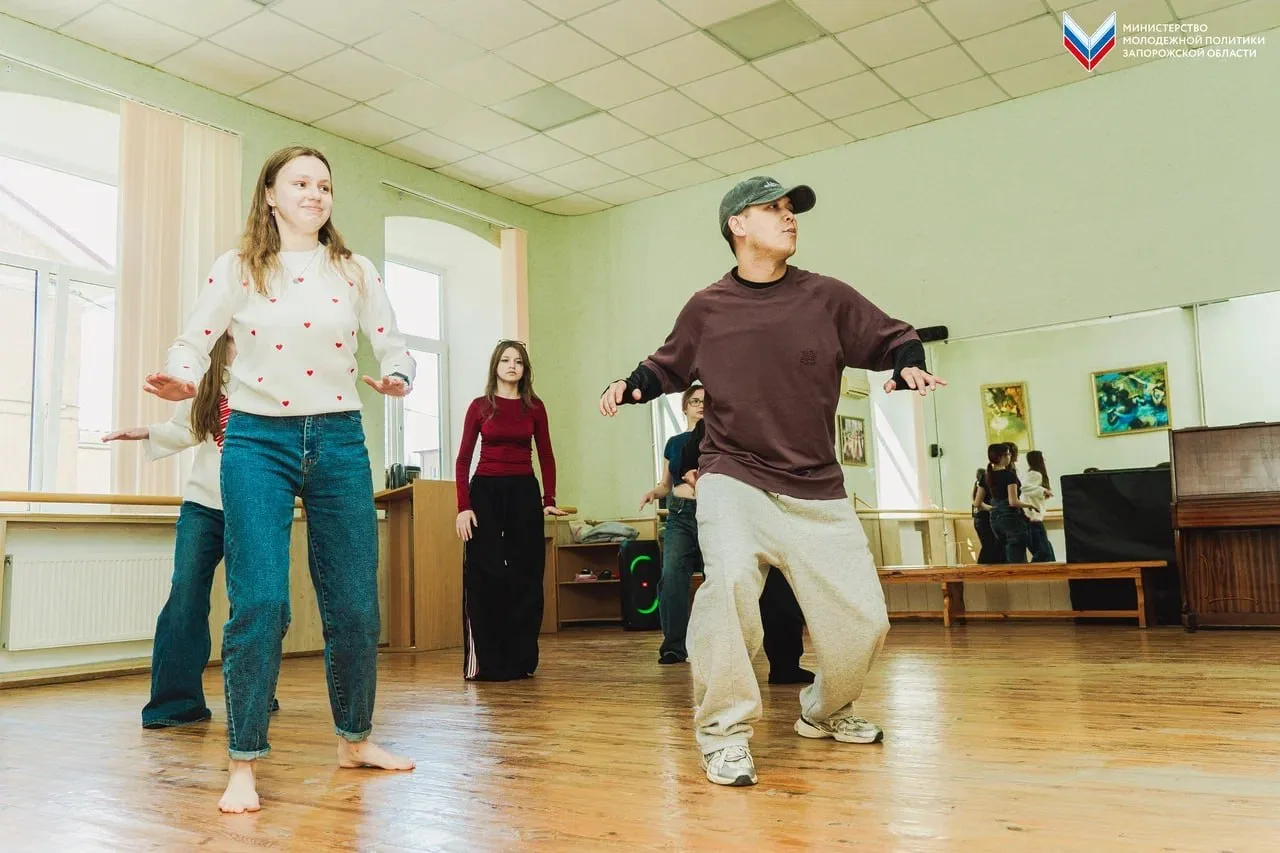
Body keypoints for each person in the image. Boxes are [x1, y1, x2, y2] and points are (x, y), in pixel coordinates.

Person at [599, 175, 945, 787]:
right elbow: (667, 363)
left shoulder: (826, 297)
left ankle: (825, 711)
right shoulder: (708, 307)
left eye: (792, 210)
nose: (790, 218)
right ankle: (723, 733)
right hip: (734, 476)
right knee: (729, 588)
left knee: (865, 622)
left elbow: (894, 336)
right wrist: (631, 385)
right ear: (738, 225)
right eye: (774, 209)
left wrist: (908, 364)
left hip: (817, 487)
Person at [145, 145, 416, 813]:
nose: (315, 193)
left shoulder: (354, 270)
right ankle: (243, 761)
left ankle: (356, 738)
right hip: (256, 441)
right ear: (269, 193)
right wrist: (181, 375)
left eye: (324, 184)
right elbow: (193, 339)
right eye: (300, 182)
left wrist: (398, 375)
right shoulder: (238, 267)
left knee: (355, 604)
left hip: (340, 439)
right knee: (260, 602)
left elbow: (394, 345)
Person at [105, 334, 283, 728]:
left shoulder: (275, 362)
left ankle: (253, 693)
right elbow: (188, 428)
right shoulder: (205, 372)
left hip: (257, 506)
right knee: (185, 595)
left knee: (256, 602)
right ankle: (175, 704)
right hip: (204, 504)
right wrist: (146, 432)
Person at [455, 339, 566, 681]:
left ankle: (520, 660)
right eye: (506, 360)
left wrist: (549, 499)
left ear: (525, 369)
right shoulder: (479, 407)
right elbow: (463, 459)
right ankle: (487, 661)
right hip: (485, 491)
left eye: (518, 361)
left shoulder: (535, 407)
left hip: (523, 491)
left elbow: (546, 454)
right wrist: (463, 507)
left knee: (526, 574)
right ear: (496, 366)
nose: (512, 366)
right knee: (486, 573)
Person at [676, 413, 814, 685]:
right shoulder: (710, 424)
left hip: (774, 513)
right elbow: (687, 465)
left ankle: (785, 665)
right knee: (728, 595)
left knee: (782, 595)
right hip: (730, 520)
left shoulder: (773, 418)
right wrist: (693, 475)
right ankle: (725, 675)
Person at [639, 385, 705, 665]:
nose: (701, 406)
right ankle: (674, 646)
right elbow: (666, 484)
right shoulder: (675, 443)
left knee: (719, 578)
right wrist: (653, 493)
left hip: (712, 513)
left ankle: (716, 643)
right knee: (672, 576)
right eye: (695, 401)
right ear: (685, 407)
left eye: (706, 402)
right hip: (679, 514)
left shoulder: (719, 441)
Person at [986, 443, 1031, 563]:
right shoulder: (1009, 475)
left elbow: (977, 503)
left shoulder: (987, 476)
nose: (1010, 456)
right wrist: (1030, 505)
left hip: (994, 518)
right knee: (1017, 555)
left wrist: (993, 508)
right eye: (1008, 454)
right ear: (1000, 457)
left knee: (1005, 553)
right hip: (1009, 517)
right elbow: (1013, 501)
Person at [1021, 450, 1056, 562]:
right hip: (1033, 516)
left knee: (1045, 549)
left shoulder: (1030, 474)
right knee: (1043, 552)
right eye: (1042, 458)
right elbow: (1024, 488)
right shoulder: (1035, 474)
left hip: (1032, 516)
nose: (1045, 460)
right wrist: (1043, 490)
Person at [971, 466, 1002, 564]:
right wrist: (992, 508)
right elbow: (979, 504)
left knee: (989, 546)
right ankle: (981, 567)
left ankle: (983, 566)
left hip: (979, 518)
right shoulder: (982, 486)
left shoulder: (976, 486)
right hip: (984, 518)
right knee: (989, 546)